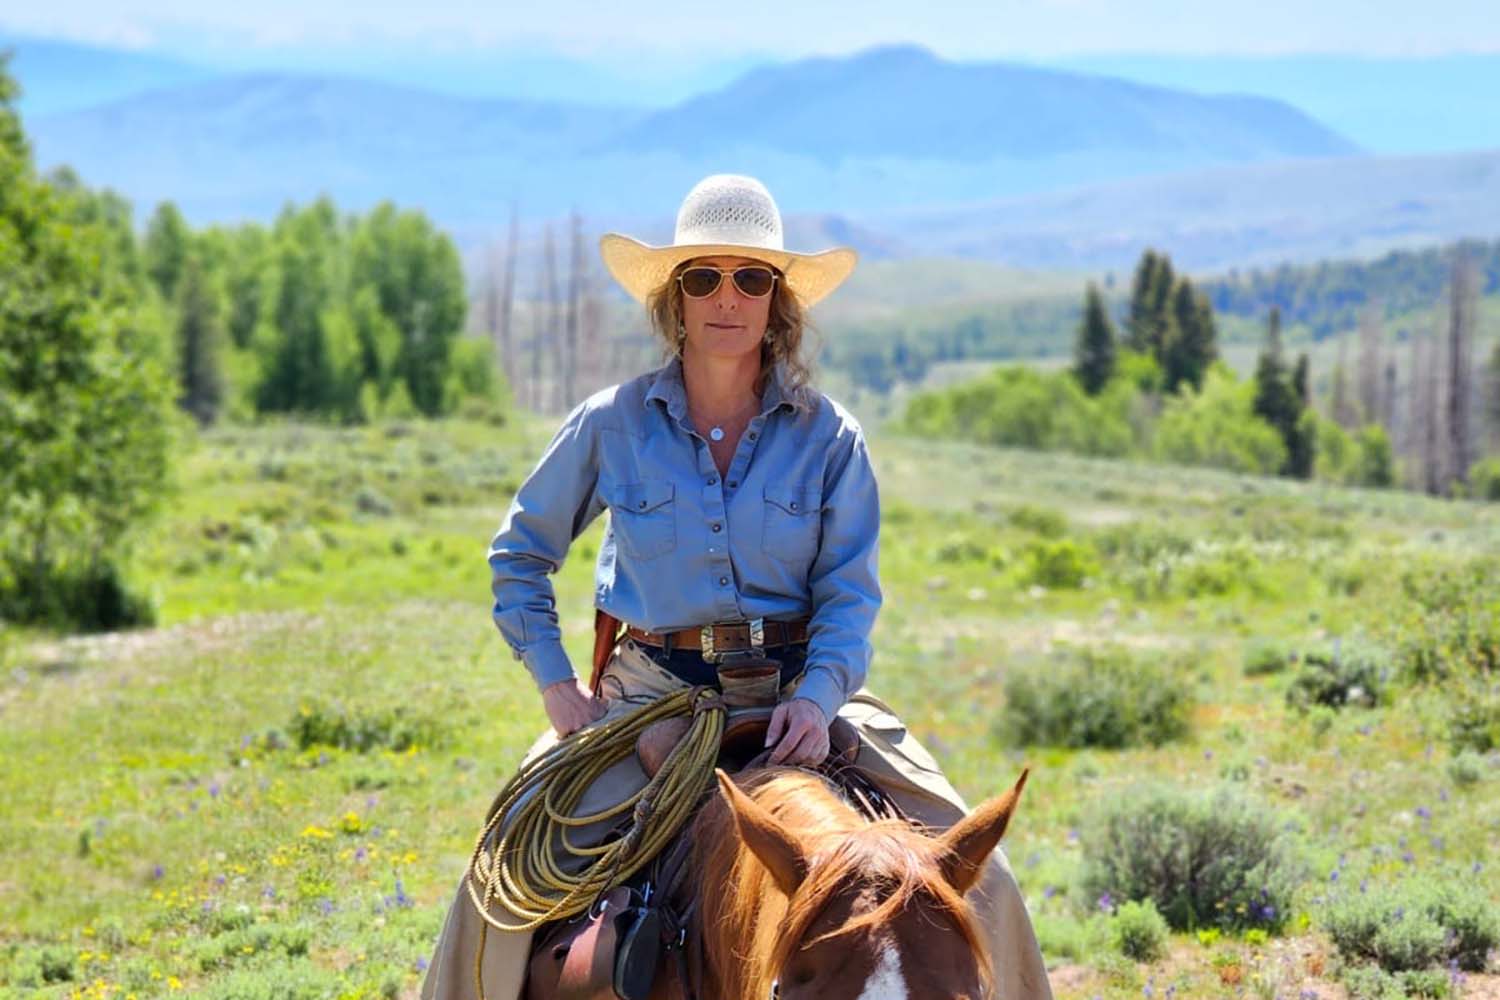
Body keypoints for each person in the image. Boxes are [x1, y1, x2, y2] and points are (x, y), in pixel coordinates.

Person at [421, 174, 1053, 1000]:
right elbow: (520, 554)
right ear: (675, 299)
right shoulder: (612, 424)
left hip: (797, 704)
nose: (728, 297)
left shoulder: (831, 439)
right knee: (500, 883)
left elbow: (849, 598)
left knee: (989, 882)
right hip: (647, 707)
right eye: (704, 277)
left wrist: (819, 701)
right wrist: (554, 684)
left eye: (751, 278)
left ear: (777, 300)